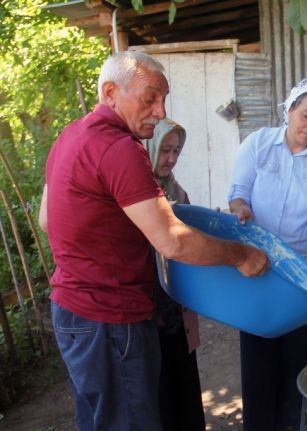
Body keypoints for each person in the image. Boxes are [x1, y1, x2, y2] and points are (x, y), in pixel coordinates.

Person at [39, 51, 268, 430]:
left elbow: (48, 221)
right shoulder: (120, 149)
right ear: (110, 92)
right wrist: (240, 254)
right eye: (149, 98)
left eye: (164, 99)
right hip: (113, 319)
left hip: (72, 314)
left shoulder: (70, 135)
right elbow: (173, 241)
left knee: (100, 420)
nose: (160, 111)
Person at [227, 77, 307, 431]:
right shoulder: (258, 144)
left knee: (303, 362)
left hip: (299, 268)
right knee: (259, 358)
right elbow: (239, 191)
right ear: (289, 110)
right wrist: (240, 209)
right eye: (306, 115)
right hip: (256, 266)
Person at [143, 118, 205, 430]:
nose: (171, 158)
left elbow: (189, 242)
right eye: (165, 150)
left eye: (176, 151)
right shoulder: (135, 194)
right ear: (148, 148)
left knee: (186, 392)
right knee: (159, 396)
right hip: (147, 310)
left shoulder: (178, 193)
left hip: (178, 309)